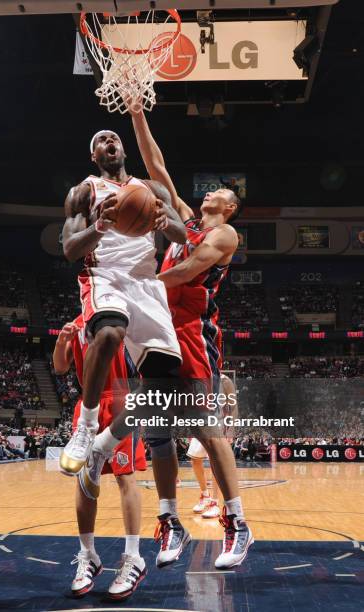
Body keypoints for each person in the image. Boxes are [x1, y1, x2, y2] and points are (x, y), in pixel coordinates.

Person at [127, 108, 253, 569]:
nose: (211, 190)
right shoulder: (185, 219)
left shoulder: (225, 234)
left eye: (221, 190)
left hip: (193, 336)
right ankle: (169, 521)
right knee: (156, 435)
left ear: (230, 206)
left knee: (204, 427)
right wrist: (139, 115)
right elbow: (157, 167)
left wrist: (141, 287)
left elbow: (187, 270)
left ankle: (237, 522)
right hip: (157, 332)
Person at [60, 130, 192, 567]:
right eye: (99, 139)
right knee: (110, 334)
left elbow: (182, 235)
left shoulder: (150, 190)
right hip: (106, 277)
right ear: (93, 153)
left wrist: (160, 221)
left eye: (113, 138)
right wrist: (100, 225)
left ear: (123, 150)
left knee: (163, 390)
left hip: (146, 283)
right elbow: (68, 248)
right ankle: (88, 425)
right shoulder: (85, 191)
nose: (108, 142)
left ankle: (105, 444)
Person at [54, 316, 147, 600]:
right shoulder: (78, 323)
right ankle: (88, 556)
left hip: (122, 399)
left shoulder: (125, 318)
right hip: (89, 404)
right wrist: (61, 341)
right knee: (85, 481)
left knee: (125, 477)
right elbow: (60, 367)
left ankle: (133, 557)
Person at [188, 374, 237, 519]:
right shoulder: (198, 377)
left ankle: (215, 503)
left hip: (219, 423)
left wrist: (231, 428)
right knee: (194, 459)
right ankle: (205, 495)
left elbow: (234, 407)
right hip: (201, 421)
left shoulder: (225, 380)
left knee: (215, 463)